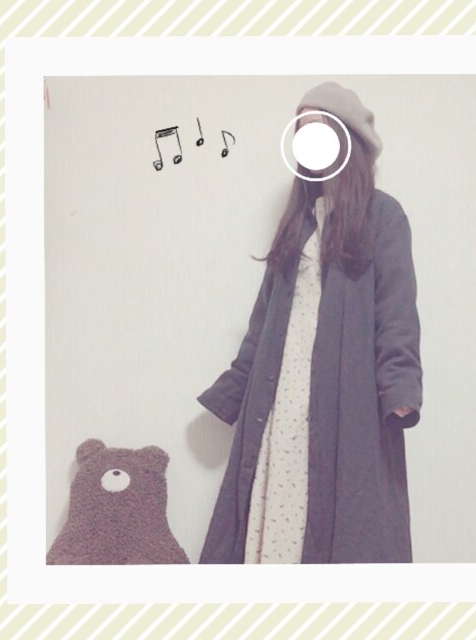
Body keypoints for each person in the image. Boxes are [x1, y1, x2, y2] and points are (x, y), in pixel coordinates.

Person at [197, 81, 423, 564]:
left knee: (344, 528)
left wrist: (400, 390)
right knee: (277, 526)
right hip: (279, 404)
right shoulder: (298, 223)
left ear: (348, 141)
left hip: (347, 405)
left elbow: (397, 315)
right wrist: (231, 393)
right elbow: (263, 323)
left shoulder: (384, 216)